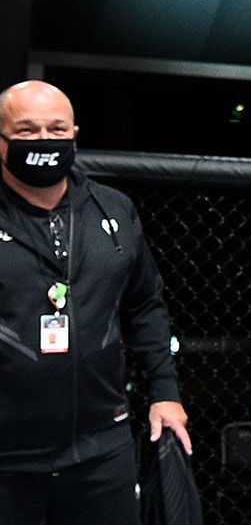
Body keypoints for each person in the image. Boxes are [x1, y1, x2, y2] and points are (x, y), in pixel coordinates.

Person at [0, 80, 193, 525]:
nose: (44, 141)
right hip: (7, 456)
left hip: (100, 448)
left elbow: (145, 306)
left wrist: (165, 392)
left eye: (56, 129)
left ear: (74, 133)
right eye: (27, 131)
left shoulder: (113, 209)